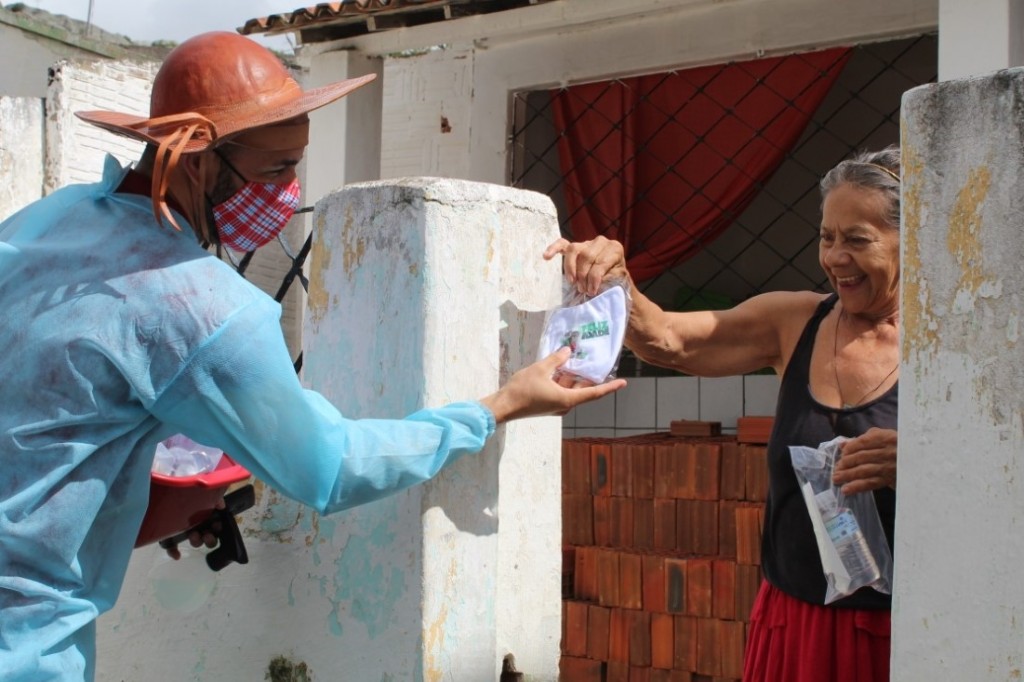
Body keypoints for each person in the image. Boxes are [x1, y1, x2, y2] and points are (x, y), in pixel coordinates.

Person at [0, 32, 625, 682]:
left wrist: (148, 501)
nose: (290, 193)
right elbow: (327, 467)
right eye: (274, 171)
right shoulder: (203, 306)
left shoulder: (46, 220)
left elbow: (45, 434)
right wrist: (500, 406)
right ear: (195, 162)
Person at [546, 147, 900, 682]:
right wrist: (617, 278)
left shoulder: (967, 344)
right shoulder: (795, 320)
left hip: (904, 631)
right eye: (827, 237)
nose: (834, 258)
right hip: (794, 623)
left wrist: (929, 459)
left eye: (857, 239)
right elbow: (670, 341)